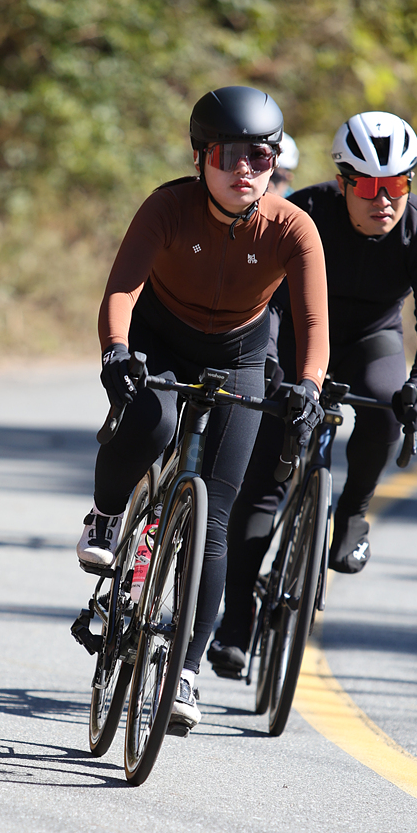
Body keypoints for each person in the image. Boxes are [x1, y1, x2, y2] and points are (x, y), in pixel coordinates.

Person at [77, 87, 330, 731]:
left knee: (214, 517)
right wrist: (115, 351)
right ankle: (106, 514)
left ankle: (185, 672)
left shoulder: (293, 228)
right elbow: (121, 290)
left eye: (260, 156)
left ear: (274, 161)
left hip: (240, 352)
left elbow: (311, 323)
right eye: (227, 155)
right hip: (160, 337)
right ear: (200, 158)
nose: (245, 169)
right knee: (153, 421)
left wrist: (308, 385)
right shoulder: (167, 207)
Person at [207, 110, 417, 679]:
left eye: (396, 184)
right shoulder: (304, 213)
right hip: (297, 339)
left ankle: (352, 514)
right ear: (344, 182)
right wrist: (270, 364)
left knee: (388, 406)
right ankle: (236, 619)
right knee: (263, 482)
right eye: (368, 187)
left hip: (373, 340)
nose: (383, 199)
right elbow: (265, 298)